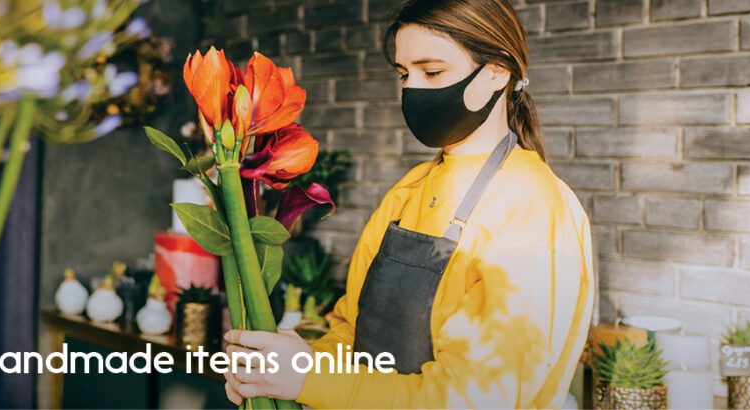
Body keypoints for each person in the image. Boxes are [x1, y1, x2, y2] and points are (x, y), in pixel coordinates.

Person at [222, 0, 595, 407]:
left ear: (497, 72)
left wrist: (309, 379)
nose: (413, 88)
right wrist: (282, 368)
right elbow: (353, 333)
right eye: (404, 74)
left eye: (432, 71)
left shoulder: (534, 208)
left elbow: (477, 399)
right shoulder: (408, 191)